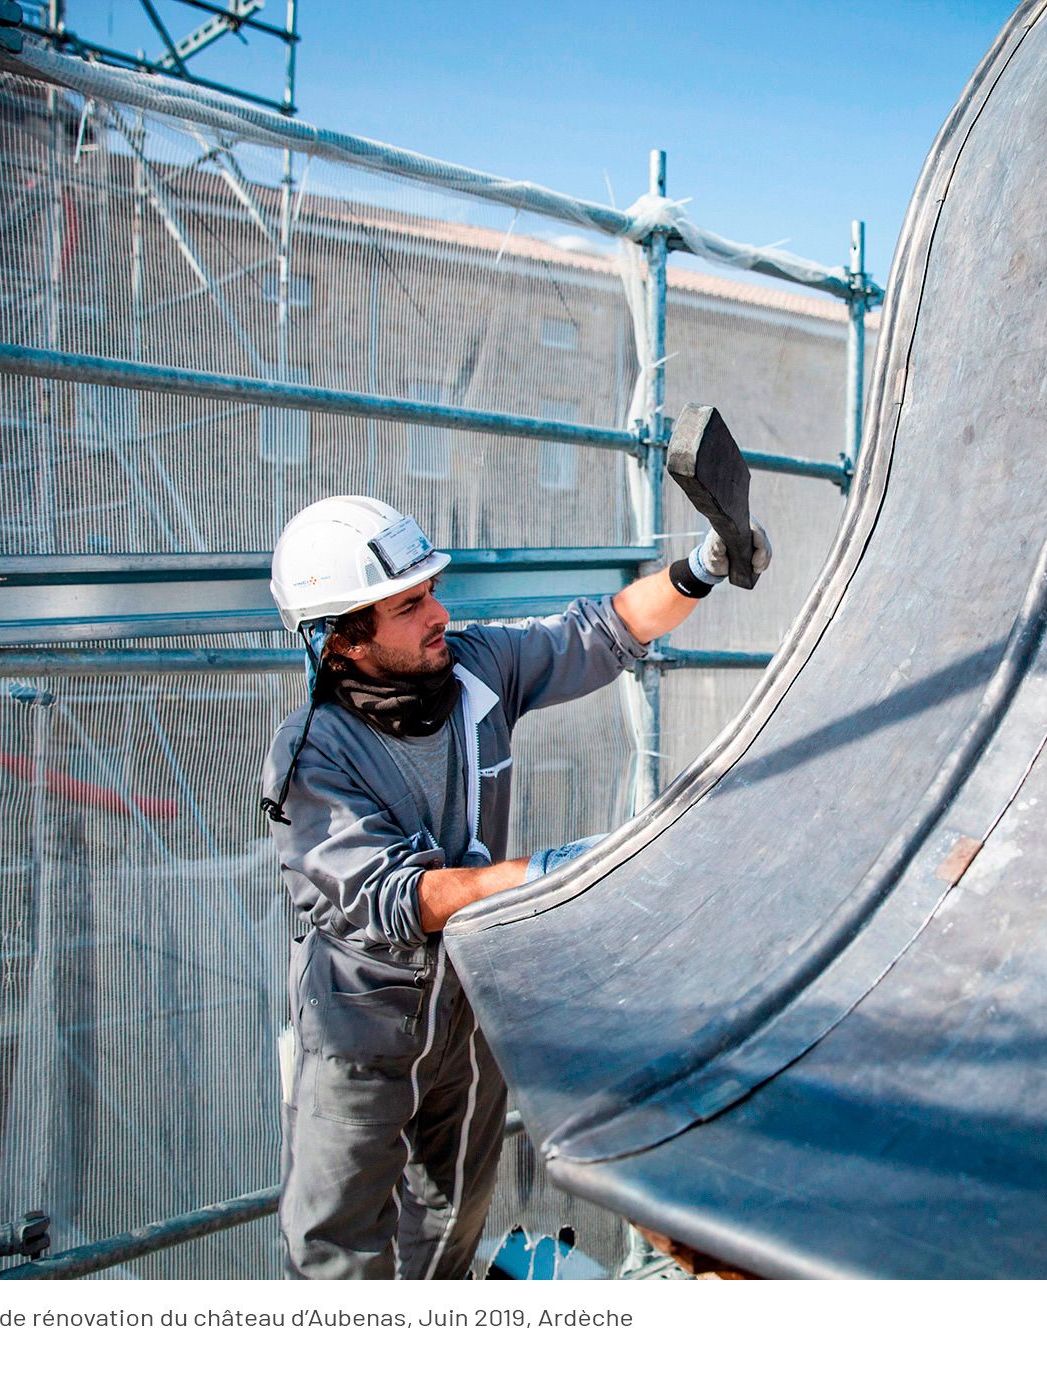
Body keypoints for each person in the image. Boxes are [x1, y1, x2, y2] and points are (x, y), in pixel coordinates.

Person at [260, 494, 769, 1279]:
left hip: (468, 1013)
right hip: (363, 1032)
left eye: (432, 590)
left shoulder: (472, 671)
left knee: (451, 1213)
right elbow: (394, 898)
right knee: (338, 1243)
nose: (439, 612)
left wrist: (701, 570)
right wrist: (539, 876)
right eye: (410, 604)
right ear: (343, 641)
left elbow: (598, 634)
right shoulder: (312, 757)